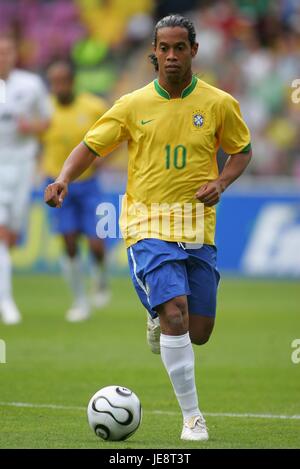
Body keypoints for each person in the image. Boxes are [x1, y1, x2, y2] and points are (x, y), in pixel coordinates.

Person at [44, 15, 252, 441]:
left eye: (180, 48)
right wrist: (64, 178)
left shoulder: (219, 104)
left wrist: (222, 181)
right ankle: (193, 418)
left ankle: (159, 314)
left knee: (199, 331)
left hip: (197, 225)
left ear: (194, 51)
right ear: (152, 53)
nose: (171, 56)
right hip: (146, 221)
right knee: (175, 312)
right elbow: (89, 146)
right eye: (164, 48)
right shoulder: (132, 105)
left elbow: (242, 151)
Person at [43, 60, 110, 322]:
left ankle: (101, 277)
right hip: (55, 183)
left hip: (89, 184)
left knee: (96, 244)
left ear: (72, 82)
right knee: (69, 242)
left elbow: (115, 134)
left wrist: (105, 157)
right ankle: (80, 300)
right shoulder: (45, 109)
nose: (58, 87)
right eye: (54, 82)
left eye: (63, 81)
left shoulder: (93, 106)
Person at [0, 34, 51, 325]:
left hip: (22, 167)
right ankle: (6, 302)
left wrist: (29, 126)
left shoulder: (30, 85)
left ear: (14, 55)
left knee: (12, 236)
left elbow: (47, 121)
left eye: (7, 51)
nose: (3, 56)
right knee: (2, 235)